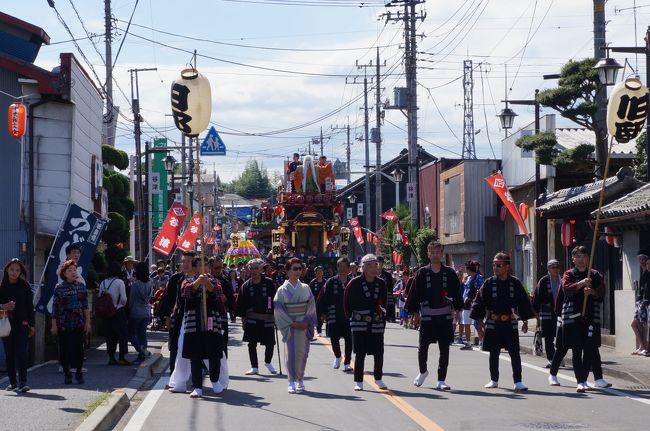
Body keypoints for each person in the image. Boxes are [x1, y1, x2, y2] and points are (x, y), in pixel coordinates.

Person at [470, 252, 534, 392]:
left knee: (514, 353)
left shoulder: (515, 282)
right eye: (494, 264)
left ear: (507, 267)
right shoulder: (488, 283)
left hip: (510, 323)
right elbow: (478, 303)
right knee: (494, 353)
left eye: (498, 265)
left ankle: (518, 381)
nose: (495, 267)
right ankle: (494, 379)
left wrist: (524, 321)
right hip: (493, 322)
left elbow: (523, 302)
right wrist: (480, 324)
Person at [406, 242, 462, 390]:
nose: (435, 254)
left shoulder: (450, 273)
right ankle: (423, 371)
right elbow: (414, 295)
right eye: (432, 252)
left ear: (442, 253)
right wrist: (415, 313)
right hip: (427, 316)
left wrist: (457, 312)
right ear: (428, 253)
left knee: (444, 349)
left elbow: (457, 294)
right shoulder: (421, 273)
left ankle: (441, 380)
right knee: (422, 348)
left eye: (438, 252)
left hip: (444, 316)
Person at [556, 245, 607, 393]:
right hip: (573, 317)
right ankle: (580, 381)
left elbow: (602, 292)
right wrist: (580, 284)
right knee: (577, 350)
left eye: (584, 256)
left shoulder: (596, 275)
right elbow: (567, 289)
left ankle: (586, 379)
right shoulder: (568, 274)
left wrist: (592, 291)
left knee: (590, 349)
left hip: (591, 317)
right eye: (577, 256)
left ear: (588, 259)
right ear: (573, 259)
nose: (581, 259)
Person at [180, 257, 227, 398]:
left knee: (214, 354)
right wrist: (198, 282)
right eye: (199, 265)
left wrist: (207, 284)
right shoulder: (187, 281)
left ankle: (215, 380)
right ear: (194, 268)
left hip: (212, 323)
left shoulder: (214, 281)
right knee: (195, 356)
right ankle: (197, 386)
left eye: (205, 265)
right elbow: (186, 292)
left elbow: (218, 293)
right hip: (194, 324)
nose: (203, 267)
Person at [344, 254, 387, 391]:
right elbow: (346, 302)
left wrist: (383, 318)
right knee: (360, 353)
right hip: (359, 322)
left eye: (375, 265)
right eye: (369, 265)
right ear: (362, 268)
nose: (374, 268)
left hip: (376, 322)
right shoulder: (354, 283)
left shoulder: (381, 283)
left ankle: (378, 378)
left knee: (379, 352)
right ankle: (358, 381)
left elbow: (385, 303)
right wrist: (350, 318)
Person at [274, 258, 318, 393]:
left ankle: (300, 379)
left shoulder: (305, 288)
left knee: (302, 353)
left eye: (300, 268)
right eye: (294, 268)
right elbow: (279, 309)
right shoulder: (282, 290)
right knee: (291, 352)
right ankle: (291, 380)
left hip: (304, 323)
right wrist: (291, 323)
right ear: (287, 271)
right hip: (290, 325)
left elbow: (311, 306)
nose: (298, 271)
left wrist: (306, 322)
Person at [235, 258, 278, 375]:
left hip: (268, 317)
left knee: (270, 343)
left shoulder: (269, 283)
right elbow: (241, 305)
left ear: (261, 269)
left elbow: (276, 300)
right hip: (252, 318)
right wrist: (243, 321)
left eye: (256, 268)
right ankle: (254, 367)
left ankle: (268, 362)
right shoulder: (245, 286)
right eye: (251, 268)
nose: (253, 271)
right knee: (251, 343)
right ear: (248, 270)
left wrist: (277, 316)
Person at [52, 260, 91, 384]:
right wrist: (53, 325)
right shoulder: (59, 288)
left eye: (75, 270)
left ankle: (79, 373)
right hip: (63, 324)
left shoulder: (81, 286)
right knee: (64, 350)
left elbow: (85, 306)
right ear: (64, 273)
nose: (73, 272)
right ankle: (67, 373)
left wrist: (88, 323)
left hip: (78, 323)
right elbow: (55, 307)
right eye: (70, 270)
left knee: (79, 349)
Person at [0, 259, 35, 392]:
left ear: (20, 272)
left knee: (21, 352)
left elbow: (29, 306)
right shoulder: (1, 287)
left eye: (17, 270)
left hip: (22, 323)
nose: (14, 272)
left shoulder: (25, 286)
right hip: (5, 324)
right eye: (12, 269)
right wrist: (3, 306)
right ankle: (12, 382)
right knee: (9, 354)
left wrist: (31, 325)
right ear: (7, 270)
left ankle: (23, 381)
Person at [159, 251, 193, 376]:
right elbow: (168, 299)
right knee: (174, 346)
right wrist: (167, 316)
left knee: (192, 346)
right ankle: (173, 371)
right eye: (183, 261)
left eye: (188, 261)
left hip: (193, 318)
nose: (185, 264)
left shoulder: (199, 278)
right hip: (177, 317)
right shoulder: (175, 278)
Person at [317, 257, 353, 371]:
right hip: (333, 314)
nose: (342, 269)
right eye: (340, 266)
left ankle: (347, 362)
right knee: (334, 338)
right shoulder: (330, 282)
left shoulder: (353, 282)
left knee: (349, 339)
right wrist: (322, 313)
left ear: (348, 269)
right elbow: (322, 298)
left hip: (349, 315)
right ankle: (337, 356)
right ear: (337, 268)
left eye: (344, 267)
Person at [99, 262, 131, 366]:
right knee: (122, 335)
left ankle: (111, 357)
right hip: (118, 311)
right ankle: (121, 357)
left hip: (106, 313)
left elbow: (100, 297)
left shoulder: (103, 283)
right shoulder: (119, 282)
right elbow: (124, 299)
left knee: (110, 336)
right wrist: (119, 304)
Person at [532, 259, 562, 368]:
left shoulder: (563, 280)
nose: (556, 269)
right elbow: (536, 298)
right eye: (553, 267)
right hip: (547, 313)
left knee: (561, 337)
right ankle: (551, 358)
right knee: (549, 338)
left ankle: (559, 358)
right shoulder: (543, 281)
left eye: (557, 267)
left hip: (560, 312)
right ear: (548, 269)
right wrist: (536, 314)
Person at [129, 262, 154, 363]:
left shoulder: (135, 285)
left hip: (136, 312)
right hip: (146, 311)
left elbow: (131, 300)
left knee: (130, 334)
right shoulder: (151, 282)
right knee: (142, 334)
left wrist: (129, 310)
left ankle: (141, 350)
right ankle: (142, 356)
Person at [461, 261, 484, 348]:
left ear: (470, 269)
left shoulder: (479, 278)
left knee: (478, 323)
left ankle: (482, 341)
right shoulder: (468, 278)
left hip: (475, 304)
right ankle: (468, 342)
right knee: (466, 323)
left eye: (466, 268)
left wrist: (473, 299)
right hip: (466, 305)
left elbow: (480, 291)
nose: (466, 270)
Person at [631, 250, 649, 355]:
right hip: (640, 300)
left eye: (643, 259)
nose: (641, 261)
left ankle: (645, 347)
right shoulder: (643, 271)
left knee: (642, 323)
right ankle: (642, 345)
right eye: (640, 259)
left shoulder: (647, 272)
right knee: (635, 324)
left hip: (645, 301)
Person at [377, 256, 396, 323]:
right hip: (375, 295)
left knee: (388, 305)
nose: (379, 264)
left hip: (386, 295)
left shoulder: (387, 275)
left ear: (382, 263)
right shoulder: (373, 273)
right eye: (377, 262)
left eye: (380, 262)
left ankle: (390, 316)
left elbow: (390, 287)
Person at [309, 266, 326, 337]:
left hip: (324, 302)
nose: (319, 273)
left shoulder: (326, 282)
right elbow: (309, 293)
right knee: (316, 317)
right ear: (315, 273)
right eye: (318, 272)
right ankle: (318, 330)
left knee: (323, 316)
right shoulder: (313, 282)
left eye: (320, 271)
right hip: (315, 303)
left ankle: (322, 329)